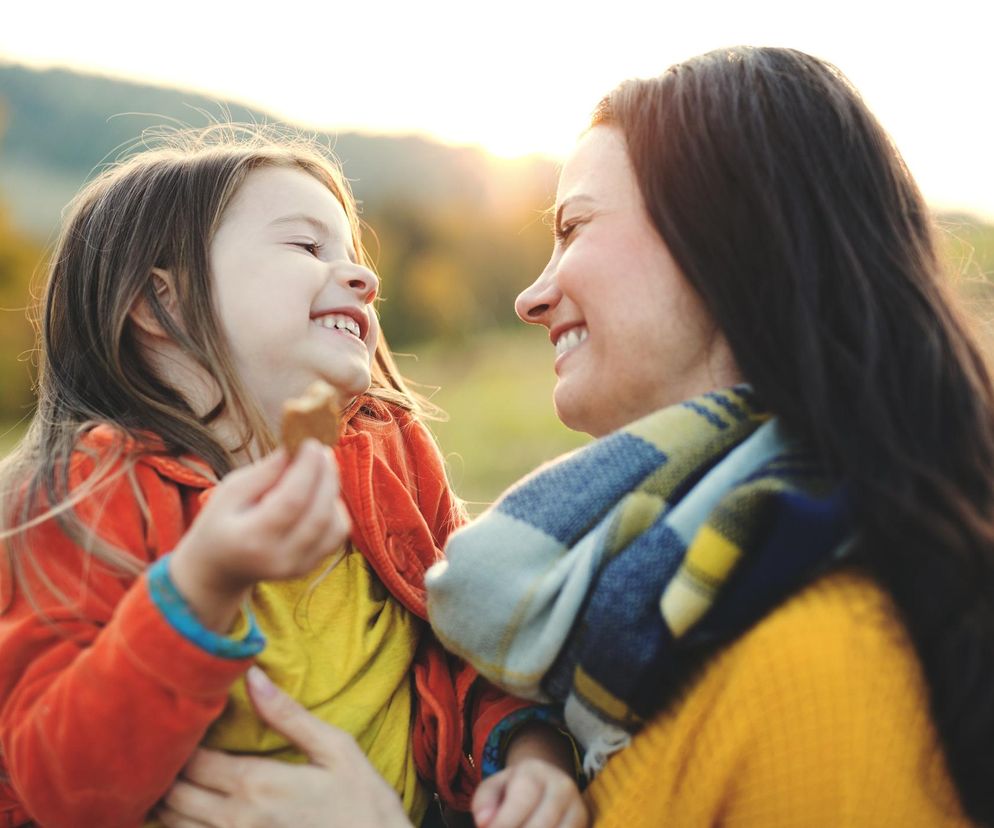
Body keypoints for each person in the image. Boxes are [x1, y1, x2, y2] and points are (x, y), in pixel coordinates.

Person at [155, 46, 994, 826]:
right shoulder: (669, 605)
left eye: (573, 228)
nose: (531, 297)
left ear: (727, 238)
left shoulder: (822, 669)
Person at [0, 126, 585, 828]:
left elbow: (466, 643)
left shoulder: (389, 453)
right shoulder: (83, 493)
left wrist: (530, 750)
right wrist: (204, 585)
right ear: (161, 305)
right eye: (309, 247)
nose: (365, 279)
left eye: (353, 254)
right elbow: (60, 788)